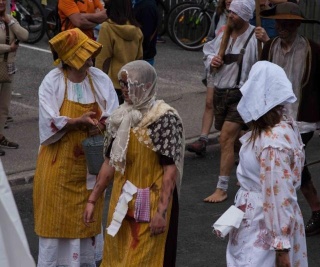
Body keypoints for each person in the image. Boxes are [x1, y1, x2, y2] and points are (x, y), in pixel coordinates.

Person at [83, 60, 185, 266]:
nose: (124, 89)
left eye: (129, 84)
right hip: (121, 202)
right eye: (121, 84)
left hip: (151, 204)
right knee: (116, 258)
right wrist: (92, 199)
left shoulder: (163, 118)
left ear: (146, 86)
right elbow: (109, 163)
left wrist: (161, 213)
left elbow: (169, 170)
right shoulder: (120, 116)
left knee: (142, 260)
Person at [33, 28, 119, 266]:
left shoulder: (99, 79)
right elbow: (49, 120)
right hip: (58, 164)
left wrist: (99, 124)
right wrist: (75, 122)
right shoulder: (52, 81)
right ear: (70, 58)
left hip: (89, 166)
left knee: (86, 220)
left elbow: (113, 112)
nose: (90, 57)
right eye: (84, 53)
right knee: (55, 220)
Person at [225, 60, 307, 267]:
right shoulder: (279, 127)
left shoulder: (272, 142)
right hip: (256, 216)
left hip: (265, 223)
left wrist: (281, 247)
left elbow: (279, 196)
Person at [260, 2, 320, 237]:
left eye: (285, 22)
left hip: (300, 121)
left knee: (292, 167)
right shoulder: (269, 47)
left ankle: (307, 211)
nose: (280, 26)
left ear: (296, 24)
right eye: (278, 22)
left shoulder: (313, 51)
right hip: (274, 120)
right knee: (289, 167)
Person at [202, 0, 258, 202]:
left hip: (240, 95)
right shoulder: (224, 33)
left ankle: (221, 188)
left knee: (225, 138)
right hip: (220, 93)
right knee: (236, 140)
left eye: (234, 13)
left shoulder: (254, 37)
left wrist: (266, 40)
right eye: (229, 12)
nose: (230, 15)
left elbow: (263, 65)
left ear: (244, 15)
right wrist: (212, 61)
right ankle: (249, 172)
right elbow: (208, 52)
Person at [186, 0, 232, 156]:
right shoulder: (219, 15)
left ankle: (234, 140)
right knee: (209, 102)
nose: (229, 1)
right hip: (215, 67)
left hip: (232, 70)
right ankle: (203, 139)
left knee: (228, 104)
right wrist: (211, 58)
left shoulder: (246, 18)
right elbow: (211, 38)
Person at [95, 0, 143, 105]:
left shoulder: (107, 27)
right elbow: (139, 59)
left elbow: (103, 59)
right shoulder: (137, 30)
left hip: (112, 84)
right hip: (130, 83)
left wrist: (98, 84)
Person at [0, 0, 28, 156]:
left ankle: (0, 136)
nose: (2, 2)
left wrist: (10, 21)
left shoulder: (9, 19)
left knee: (3, 107)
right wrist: (8, 48)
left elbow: (25, 35)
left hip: (7, 69)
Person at [133, 0, 158, 65]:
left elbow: (146, 35)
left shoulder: (147, 7)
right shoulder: (138, 3)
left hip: (143, 56)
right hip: (140, 54)